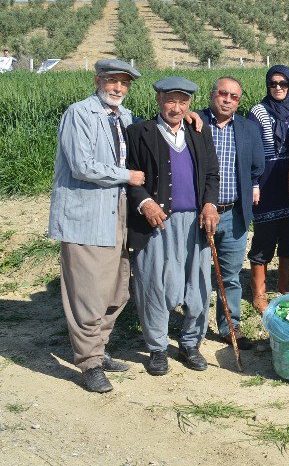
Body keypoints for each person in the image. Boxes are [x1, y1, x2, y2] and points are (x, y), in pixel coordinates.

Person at [49, 59, 143, 393]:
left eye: (124, 83)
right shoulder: (79, 114)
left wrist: (192, 118)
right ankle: (88, 362)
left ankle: (98, 350)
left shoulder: (125, 117)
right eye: (112, 81)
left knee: (117, 286)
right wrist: (127, 176)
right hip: (86, 213)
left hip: (116, 213)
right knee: (88, 290)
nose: (118, 88)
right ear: (97, 80)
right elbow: (81, 165)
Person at [126, 77, 220, 376]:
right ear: (158, 101)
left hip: (195, 220)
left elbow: (211, 174)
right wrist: (144, 202)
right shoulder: (140, 132)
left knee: (198, 284)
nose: (176, 107)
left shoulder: (198, 131)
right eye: (170, 100)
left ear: (189, 104)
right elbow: (127, 175)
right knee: (154, 282)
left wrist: (209, 204)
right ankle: (156, 348)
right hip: (157, 221)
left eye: (182, 102)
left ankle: (191, 342)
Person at [198, 77, 264, 350]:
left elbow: (256, 165)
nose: (227, 99)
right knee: (198, 274)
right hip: (200, 213)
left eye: (234, 96)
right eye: (223, 94)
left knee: (231, 275)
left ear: (239, 101)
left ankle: (230, 326)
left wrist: (255, 184)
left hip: (234, 212)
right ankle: (195, 331)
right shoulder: (195, 123)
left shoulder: (248, 128)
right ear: (212, 94)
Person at [248, 65, 289, 311]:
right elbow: (252, 150)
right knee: (264, 236)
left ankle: (284, 285)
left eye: (283, 83)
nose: (278, 88)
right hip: (267, 184)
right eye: (273, 83)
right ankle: (259, 291)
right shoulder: (258, 112)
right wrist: (254, 182)